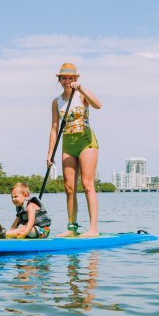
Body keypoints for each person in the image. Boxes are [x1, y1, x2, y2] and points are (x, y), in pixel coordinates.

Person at [47, 62, 101, 237]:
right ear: (60, 80)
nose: (67, 80)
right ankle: (72, 228)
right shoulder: (56, 102)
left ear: (75, 79)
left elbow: (98, 105)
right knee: (69, 187)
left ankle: (93, 228)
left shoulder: (82, 96)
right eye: (64, 78)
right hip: (68, 144)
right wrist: (49, 153)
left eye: (71, 77)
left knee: (87, 184)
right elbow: (54, 128)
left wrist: (82, 89)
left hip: (86, 142)